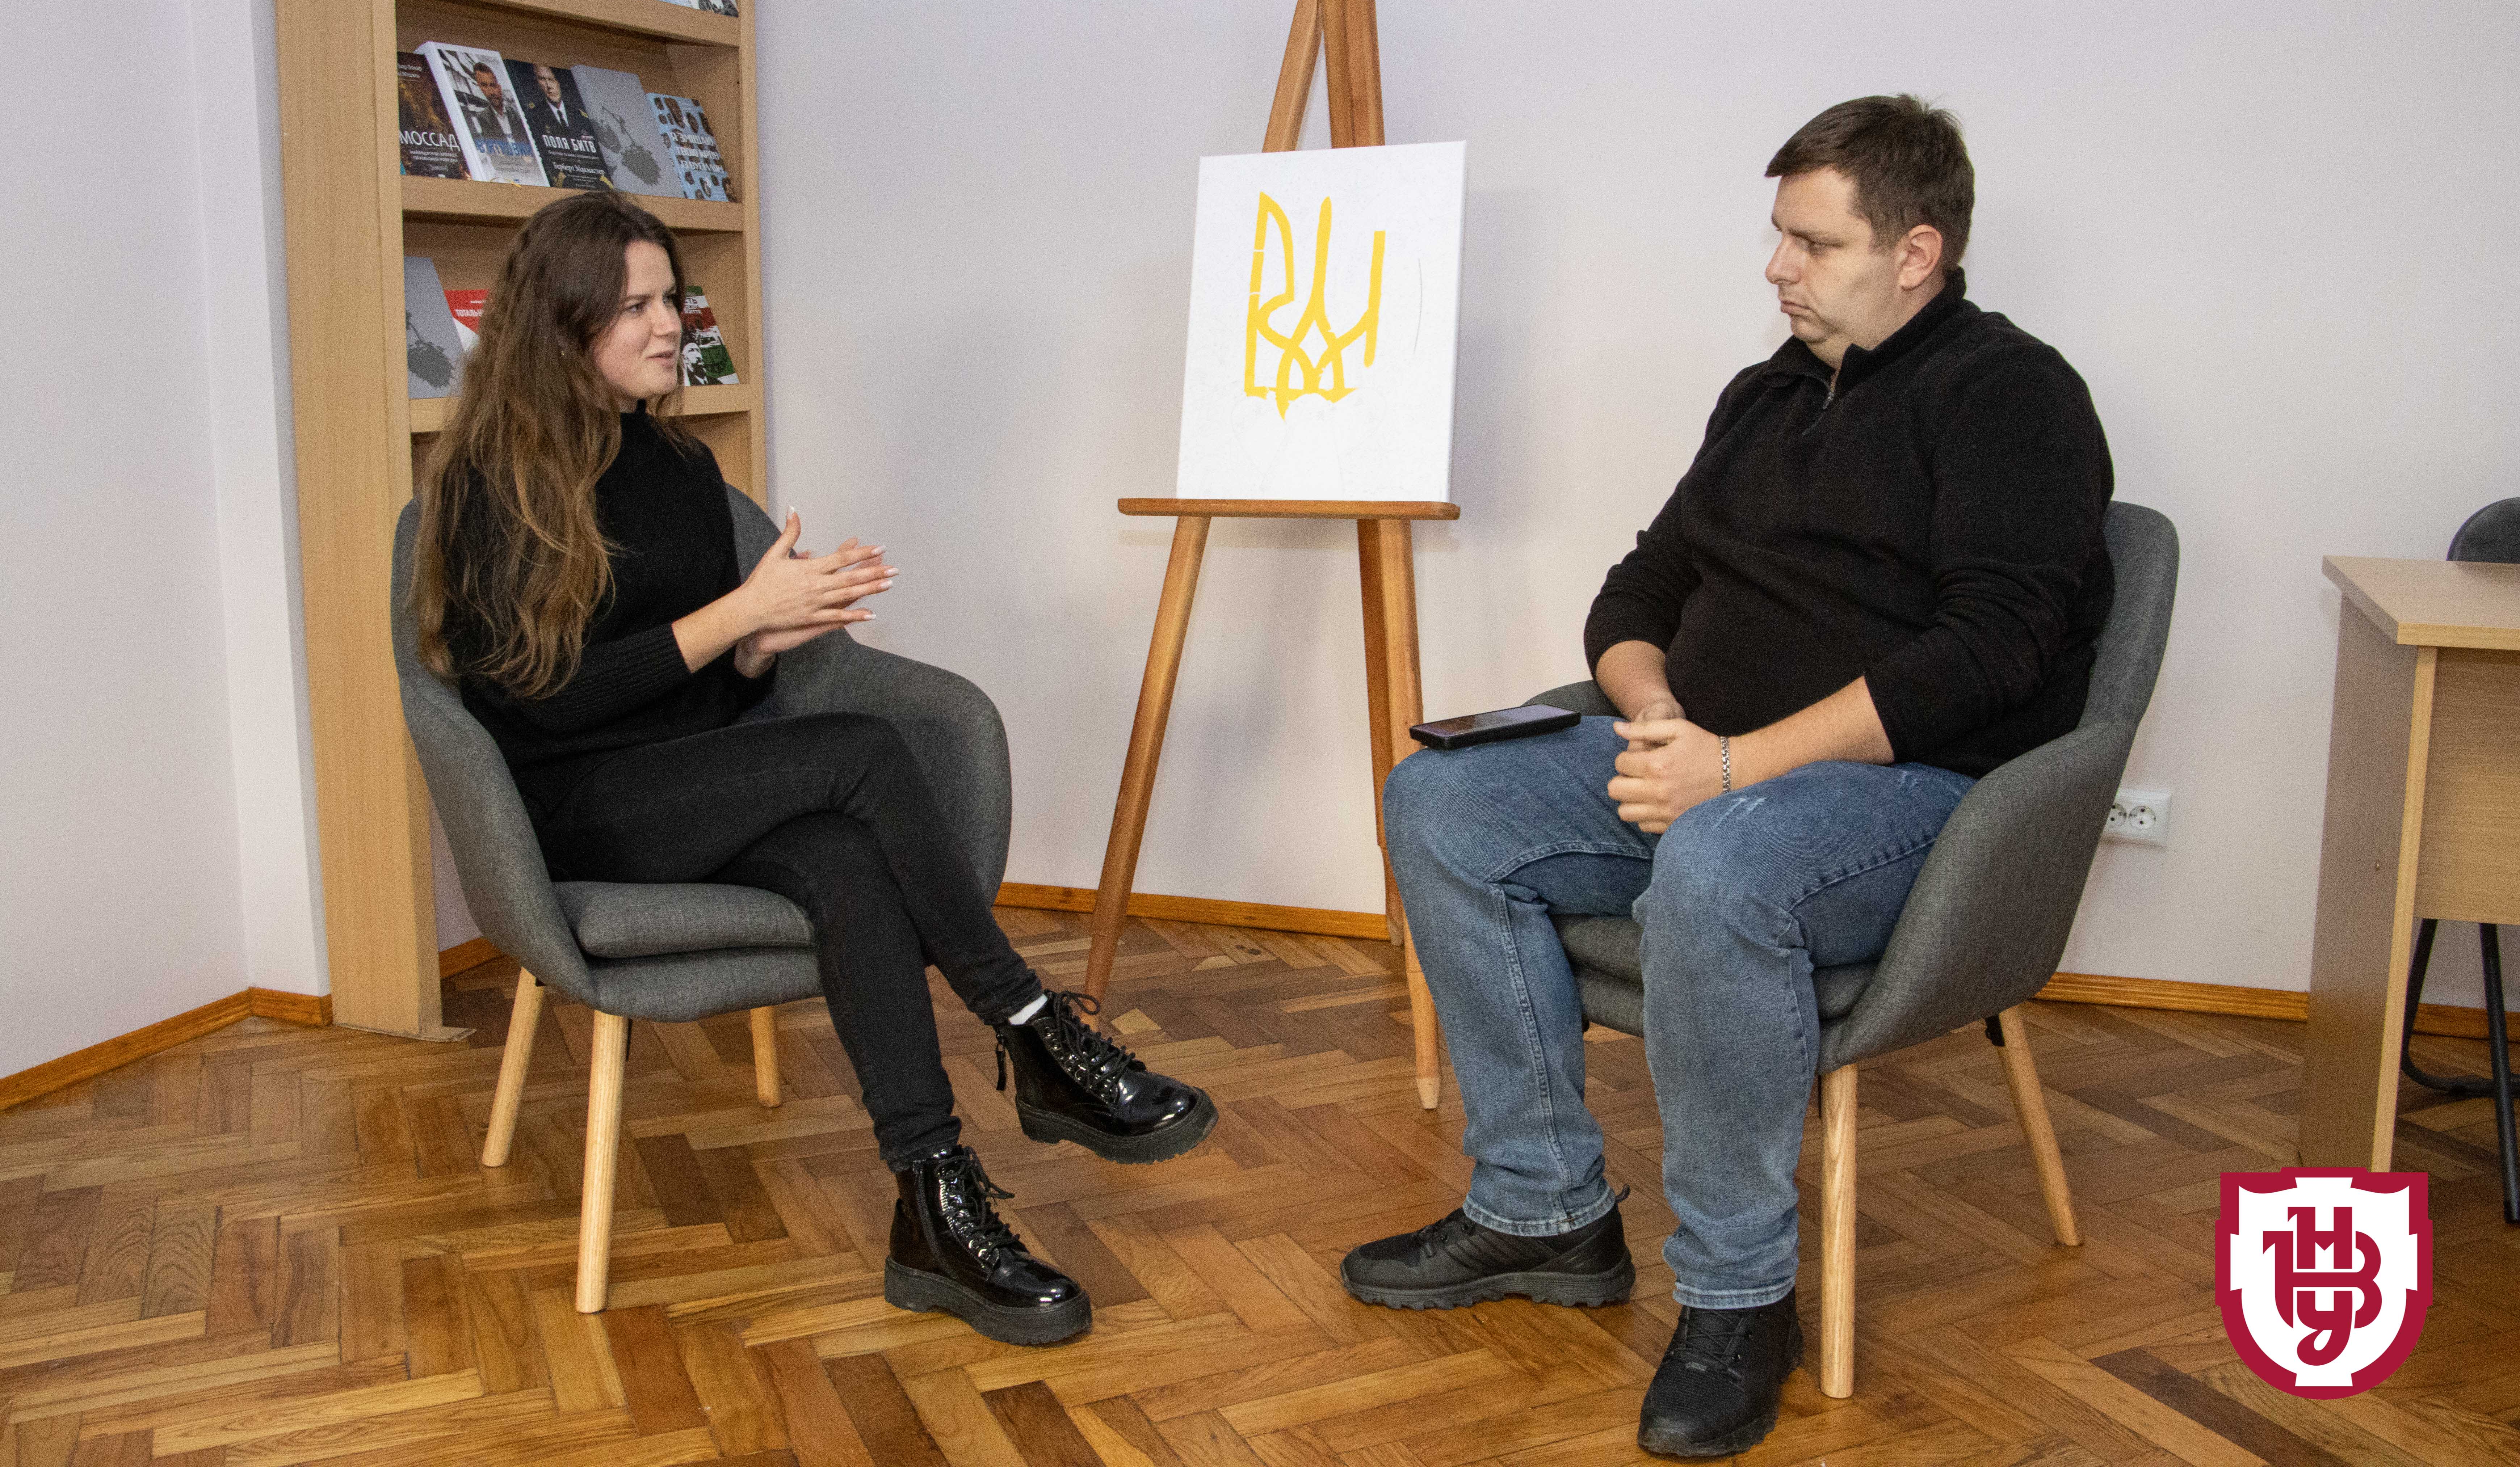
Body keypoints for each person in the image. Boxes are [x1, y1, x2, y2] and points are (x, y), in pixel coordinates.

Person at [1338, 97, 2113, 1458]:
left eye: (1815, 244)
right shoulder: (1767, 395)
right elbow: (1640, 590)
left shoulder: (2011, 396)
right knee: (1439, 800)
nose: (1778, 267)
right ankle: (1543, 1210)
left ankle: (1741, 1297)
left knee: (1721, 858)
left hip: (1916, 802)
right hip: (1707, 768)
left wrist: (1738, 770)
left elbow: (1989, 654)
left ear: (1917, 253)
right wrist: (1660, 726)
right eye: (1779, 236)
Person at [411, 193, 1217, 1348]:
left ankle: (932, 1206)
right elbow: (541, 699)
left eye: (671, 299)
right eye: (634, 306)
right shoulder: (494, 483)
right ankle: (1035, 1030)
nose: (668, 325)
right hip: (571, 808)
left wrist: (756, 649)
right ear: (563, 321)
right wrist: (739, 612)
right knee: (864, 752)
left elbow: (703, 693)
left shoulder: (680, 466)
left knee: (845, 857)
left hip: (689, 782)